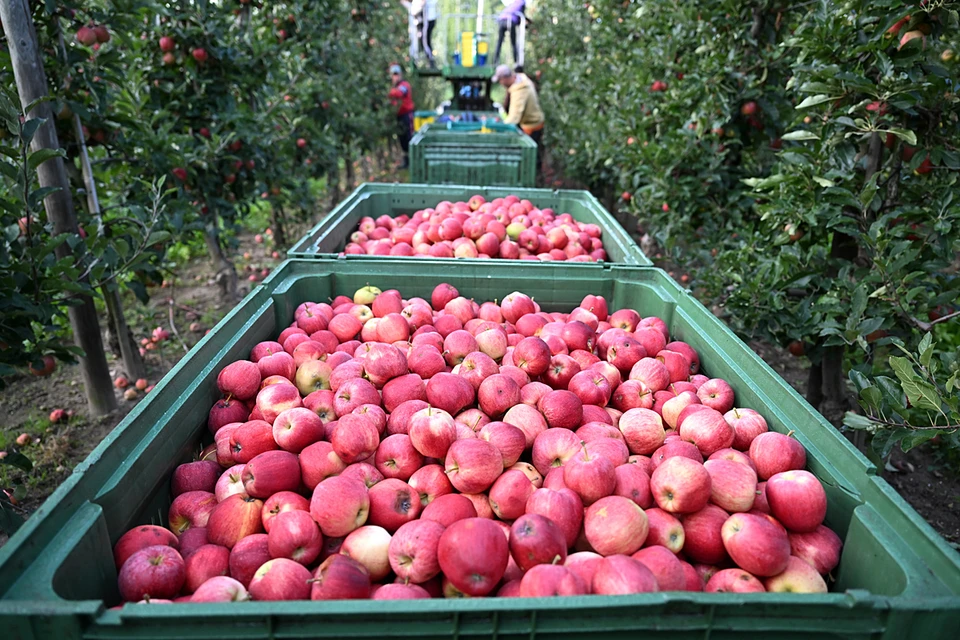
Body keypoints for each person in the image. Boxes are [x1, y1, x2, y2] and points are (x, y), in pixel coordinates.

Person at [493, 64, 544, 178]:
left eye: (501, 80)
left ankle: (533, 177)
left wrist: (499, 127)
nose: (501, 84)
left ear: (505, 78)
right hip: (533, 121)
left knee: (530, 156)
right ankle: (537, 174)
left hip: (531, 125)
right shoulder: (521, 79)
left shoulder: (519, 92)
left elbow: (514, 118)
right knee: (536, 153)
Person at [388, 65, 414, 168]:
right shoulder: (394, 88)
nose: (395, 77)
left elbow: (399, 93)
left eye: (397, 74)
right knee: (402, 139)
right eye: (393, 75)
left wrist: (390, 92)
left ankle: (412, 161)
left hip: (407, 115)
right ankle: (406, 162)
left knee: (408, 137)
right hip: (399, 116)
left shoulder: (404, 85)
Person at [493, 1, 526, 65]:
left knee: (499, 42)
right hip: (511, 21)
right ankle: (516, 62)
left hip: (501, 20)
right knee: (513, 42)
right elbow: (521, 15)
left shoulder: (513, 3)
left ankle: (495, 61)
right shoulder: (522, 3)